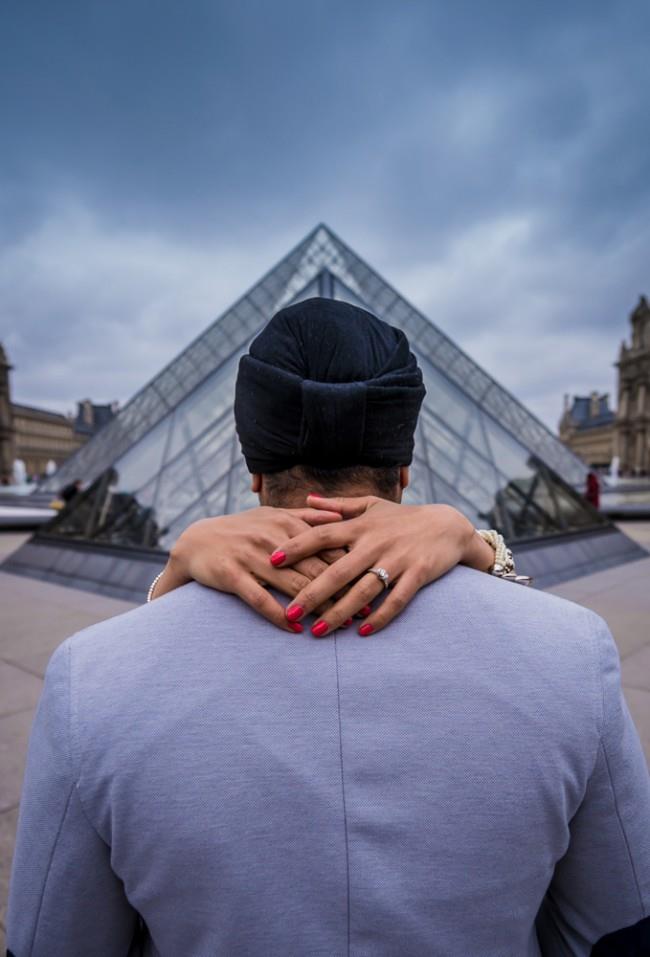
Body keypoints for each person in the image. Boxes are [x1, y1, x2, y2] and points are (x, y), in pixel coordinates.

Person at [7, 299, 650, 956]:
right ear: (405, 468)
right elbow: (621, 932)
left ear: (253, 469)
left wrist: (167, 590)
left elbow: (50, 942)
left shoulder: (90, 680)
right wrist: (484, 548)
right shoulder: (574, 654)